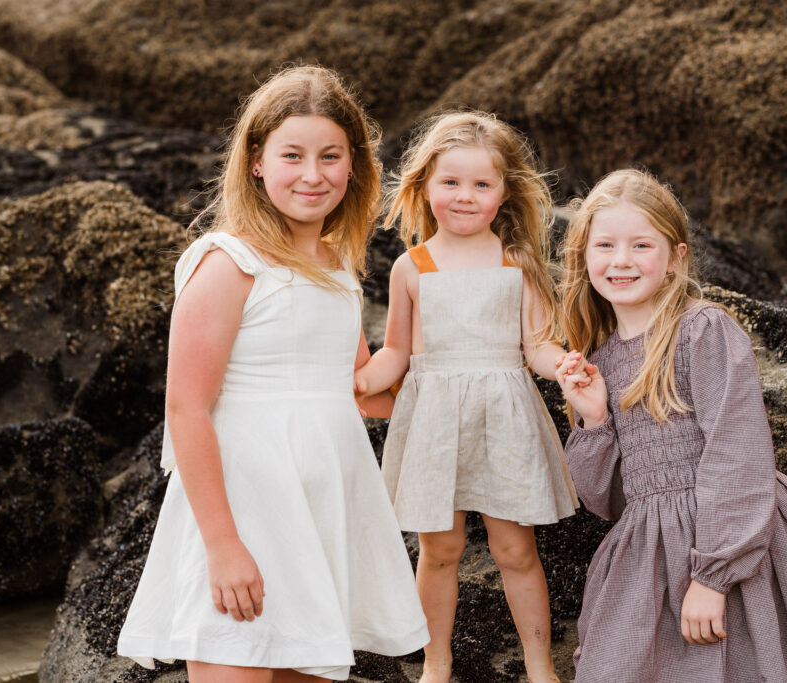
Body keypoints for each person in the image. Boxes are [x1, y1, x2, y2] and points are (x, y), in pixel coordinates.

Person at [116, 65, 429, 683]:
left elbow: (362, 394)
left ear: (354, 165)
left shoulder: (337, 267)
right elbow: (186, 410)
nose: (312, 175)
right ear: (257, 160)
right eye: (292, 155)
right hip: (244, 514)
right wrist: (224, 546)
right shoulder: (228, 262)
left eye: (330, 156)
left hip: (321, 514)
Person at [553, 169, 787, 682]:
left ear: (675, 258)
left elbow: (736, 450)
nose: (621, 260)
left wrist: (714, 577)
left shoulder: (702, 330)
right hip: (648, 561)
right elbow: (611, 503)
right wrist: (594, 417)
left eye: (641, 245)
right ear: (584, 257)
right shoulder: (600, 360)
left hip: (737, 544)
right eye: (604, 244)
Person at [353, 111, 582, 683]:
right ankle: (436, 662)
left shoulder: (517, 262)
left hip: (503, 418)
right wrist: (358, 381)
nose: (465, 196)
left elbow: (537, 347)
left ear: (505, 193)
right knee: (441, 551)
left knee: (515, 552)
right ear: (424, 186)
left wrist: (567, 367)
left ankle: (538, 664)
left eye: (482, 184)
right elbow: (396, 353)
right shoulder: (412, 265)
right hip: (433, 420)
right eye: (450, 182)